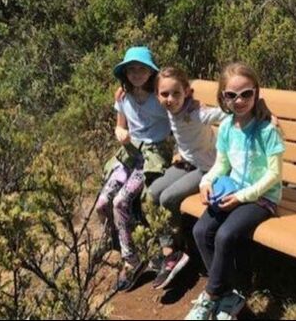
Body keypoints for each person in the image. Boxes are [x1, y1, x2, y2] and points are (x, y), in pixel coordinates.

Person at [186, 63, 285, 320]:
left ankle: (210, 296)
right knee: (200, 230)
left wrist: (242, 197)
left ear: (256, 93)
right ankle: (230, 294)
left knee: (225, 234)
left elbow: (274, 174)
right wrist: (205, 183)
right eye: (231, 95)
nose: (239, 101)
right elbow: (222, 164)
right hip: (234, 191)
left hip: (262, 197)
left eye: (246, 94)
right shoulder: (228, 127)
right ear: (223, 98)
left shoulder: (267, 129)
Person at [95, 46, 173, 292]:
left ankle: (132, 261)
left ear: (151, 72)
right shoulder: (124, 97)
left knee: (121, 201)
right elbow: (121, 125)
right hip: (130, 153)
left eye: (142, 69)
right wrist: (120, 132)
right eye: (132, 70)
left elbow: (180, 112)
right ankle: (119, 240)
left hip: (151, 156)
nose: (137, 74)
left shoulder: (160, 98)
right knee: (102, 203)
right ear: (125, 73)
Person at [146, 66, 228, 289]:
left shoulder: (195, 112)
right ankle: (169, 248)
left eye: (176, 93)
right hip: (186, 162)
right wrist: (121, 94)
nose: (170, 99)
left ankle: (178, 250)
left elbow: (222, 112)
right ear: (157, 95)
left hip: (205, 168)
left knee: (167, 199)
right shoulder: (171, 110)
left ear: (187, 93)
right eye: (164, 94)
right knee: (152, 193)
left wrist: (260, 110)